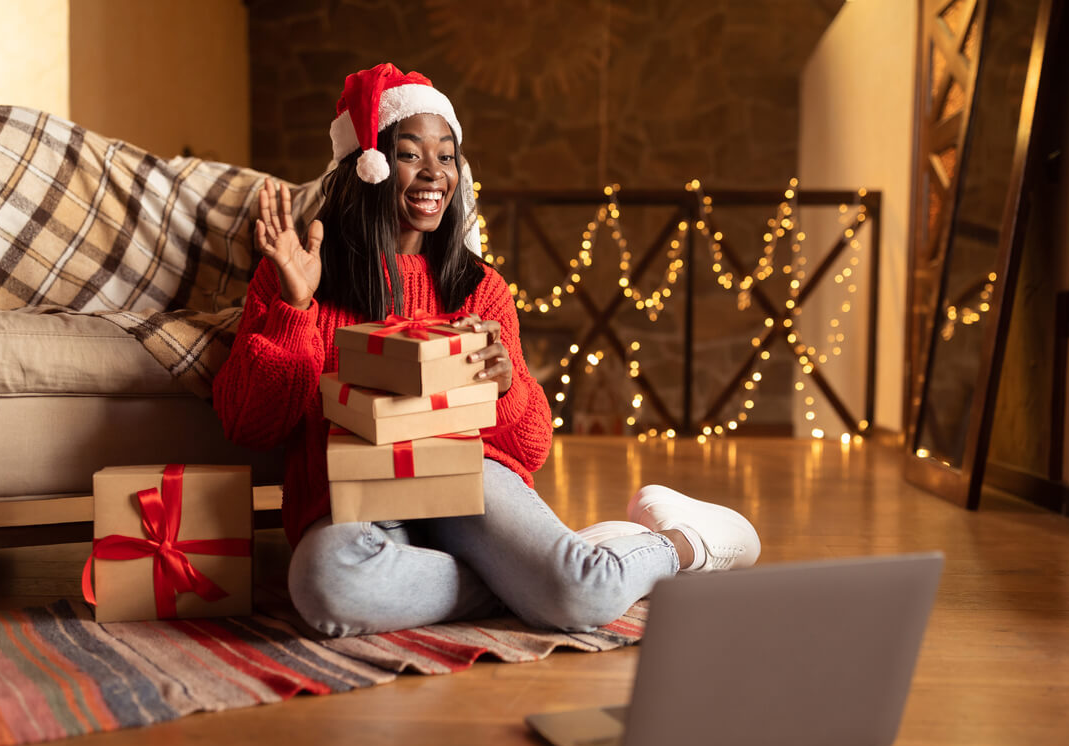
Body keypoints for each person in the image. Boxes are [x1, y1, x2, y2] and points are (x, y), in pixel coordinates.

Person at [213, 63, 760, 638]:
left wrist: (507, 388)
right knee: (328, 585)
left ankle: (679, 545)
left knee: (579, 599)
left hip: (467, 484)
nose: (433, 174)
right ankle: (553, 574)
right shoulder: (298, 274)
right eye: (409, 154)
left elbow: (533, 446)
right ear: (367, 166)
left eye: (446, 156)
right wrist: (295, 310)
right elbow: (249, 424)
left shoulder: (479, 287)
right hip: (356, 504)